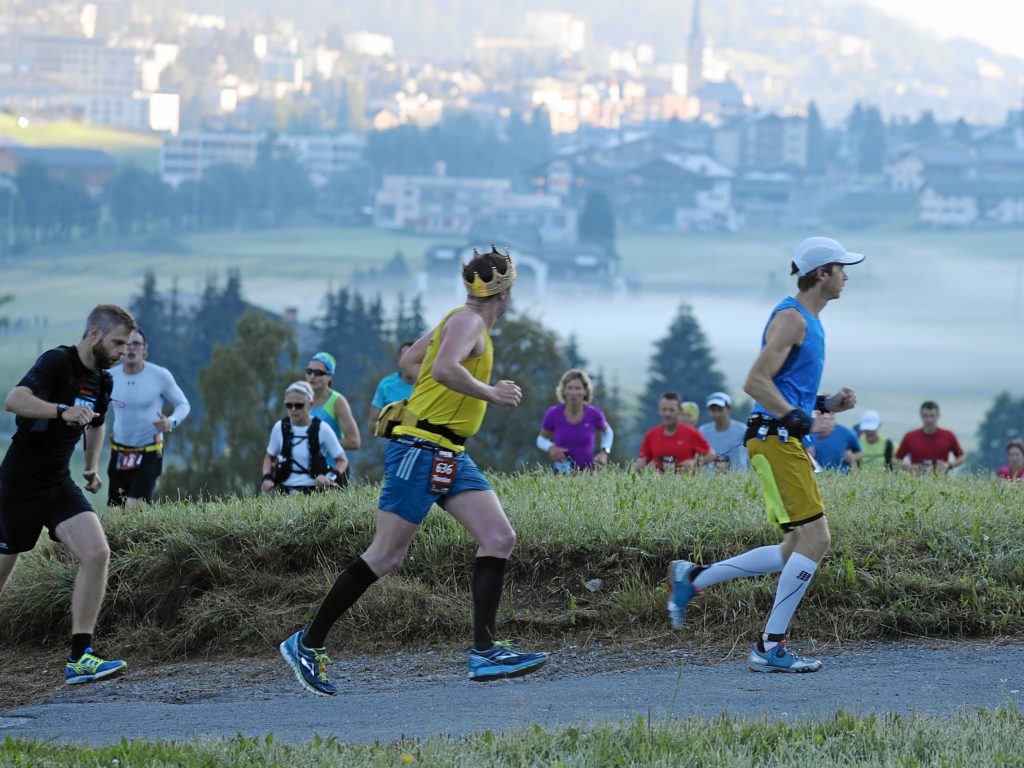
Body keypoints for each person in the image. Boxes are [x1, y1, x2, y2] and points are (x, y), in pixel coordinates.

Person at [279, 247, 547, 696]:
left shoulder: (457, 320)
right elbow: (442, 367)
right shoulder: (468, 323)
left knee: (499, 537)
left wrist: (443, 393)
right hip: (420, 449)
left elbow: (410, 363)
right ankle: (307, 643)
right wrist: (489, 392)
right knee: (386, 556)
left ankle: (484, 651)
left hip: (449, 452)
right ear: (507, 291)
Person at [668, 235, 865, 673]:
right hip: (777, 439)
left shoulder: (810, 321)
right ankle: (769, 647)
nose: (846, 276)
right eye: (840, 268)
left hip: (778, 437)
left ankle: (694, 577)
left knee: (791, 547)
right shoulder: (792, 319)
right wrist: (802, 420)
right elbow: (755, 381)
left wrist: (827, 404)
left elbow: (786, 389)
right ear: (821, 274)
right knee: (817, 540)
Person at [0, 304, 136, 684]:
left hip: (58, 483)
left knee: (97, 553)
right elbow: (14, 399)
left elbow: (96, 424)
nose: (123, 352)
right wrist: (61, 410)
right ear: (94, 334)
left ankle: (81, 657)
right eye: (118, 343)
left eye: (127, 345)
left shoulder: (103, 381)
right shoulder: (56, 362)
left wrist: (91, 468)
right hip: (19, 484)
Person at [107, 329, 190, 507]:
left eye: (136, 344)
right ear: (121, 349)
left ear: (145, 350)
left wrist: (170, 422)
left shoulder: (160, 375)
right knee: (116, 512)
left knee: (134, 507)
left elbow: (183, 405)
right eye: (126, 344)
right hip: (120, 452)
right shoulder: (110, 377)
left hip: (149, 451)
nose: (131, 349)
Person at [261, 381, 348, 495]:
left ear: (310, 405)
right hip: (284, 493)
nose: (293, 409)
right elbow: (269, 456)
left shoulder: (322, 428)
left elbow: (342, 460)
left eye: (298, 405)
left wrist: (329, 477)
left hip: (315, 493)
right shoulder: (279, 427)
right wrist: (266, 478)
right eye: (289, 405)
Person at [537, 369, 613, 473]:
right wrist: (551, 447)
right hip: (561, 474)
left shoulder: (594, 414)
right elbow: (541, 439)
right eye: (570, 388)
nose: (573, 393)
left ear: (585, 391)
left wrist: (604, 452)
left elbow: (608, 432)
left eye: (578, 388)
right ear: (563, 390)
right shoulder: (553, 413)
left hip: (588, 474)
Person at [305, 352, 360, 486]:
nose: (312, 377)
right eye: (309, 371)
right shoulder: (300, 400)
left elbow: (354, 442)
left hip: (333, 470)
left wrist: (322, 444)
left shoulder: (337, 402)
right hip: (305, 472)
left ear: (329, 377)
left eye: (318, 373)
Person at [637, 392, 712, 473]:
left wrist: (694, 463)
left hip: (686, 483)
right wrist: (645, 468)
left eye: (671, 410)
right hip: (658, 483)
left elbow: (711, 455)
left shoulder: (692, 433)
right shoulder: (651, 435)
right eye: (664, 409)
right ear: (659, 410)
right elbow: (641, 463)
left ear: (679, 411)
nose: (667, 414)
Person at [895, 401, 966, 474]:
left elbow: (962, 457)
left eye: (932, 416)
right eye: (925, 416)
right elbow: (896, 459)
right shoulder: (910, 436)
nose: (929, 420)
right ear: (921, 416)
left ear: (938, 416)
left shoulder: (949, 436)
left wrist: (948, 465)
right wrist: (908, 467)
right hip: (916, 481)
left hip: (941, 481)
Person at [368, 341, 419, 436]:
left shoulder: (427, 385)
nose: (409, 362)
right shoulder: (386, 384)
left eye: (413, 358)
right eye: (405, 357)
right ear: (399, 361)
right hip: (392, 444)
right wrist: (394, 431)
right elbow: (372, 424)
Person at [699, 392, 749, 472]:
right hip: (711, 480)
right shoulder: (703, 431)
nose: (716, 414)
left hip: (739, 478)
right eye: (713, 410)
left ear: (729, 409)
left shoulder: (742, 430)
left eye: (720, 410)